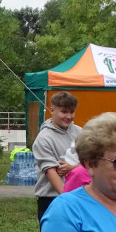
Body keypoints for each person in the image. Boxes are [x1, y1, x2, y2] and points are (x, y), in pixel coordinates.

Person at [32, 91, 82, 222]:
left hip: (81, 197)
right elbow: (51, 172)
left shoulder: (81, 132)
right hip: (53, 200)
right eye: (64, 112)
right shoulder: (44, 139)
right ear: (52, 110)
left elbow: (92, 162)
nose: (69, 116)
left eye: (72, 112)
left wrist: (73, 168)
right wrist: (67, 199)